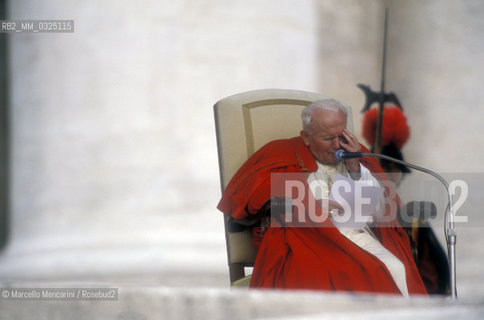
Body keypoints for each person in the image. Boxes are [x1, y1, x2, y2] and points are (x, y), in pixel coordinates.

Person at [217, 99, 427, 296]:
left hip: (355, 234)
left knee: (397, 269)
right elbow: (260, 206)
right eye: (328, 138)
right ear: (306, 136)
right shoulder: (279, 155)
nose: (337, 145)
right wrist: (309, 209)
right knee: (356, 272)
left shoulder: (356, 153)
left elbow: (382, 206)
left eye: (341, 135)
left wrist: (355, 168)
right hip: (308, 241)